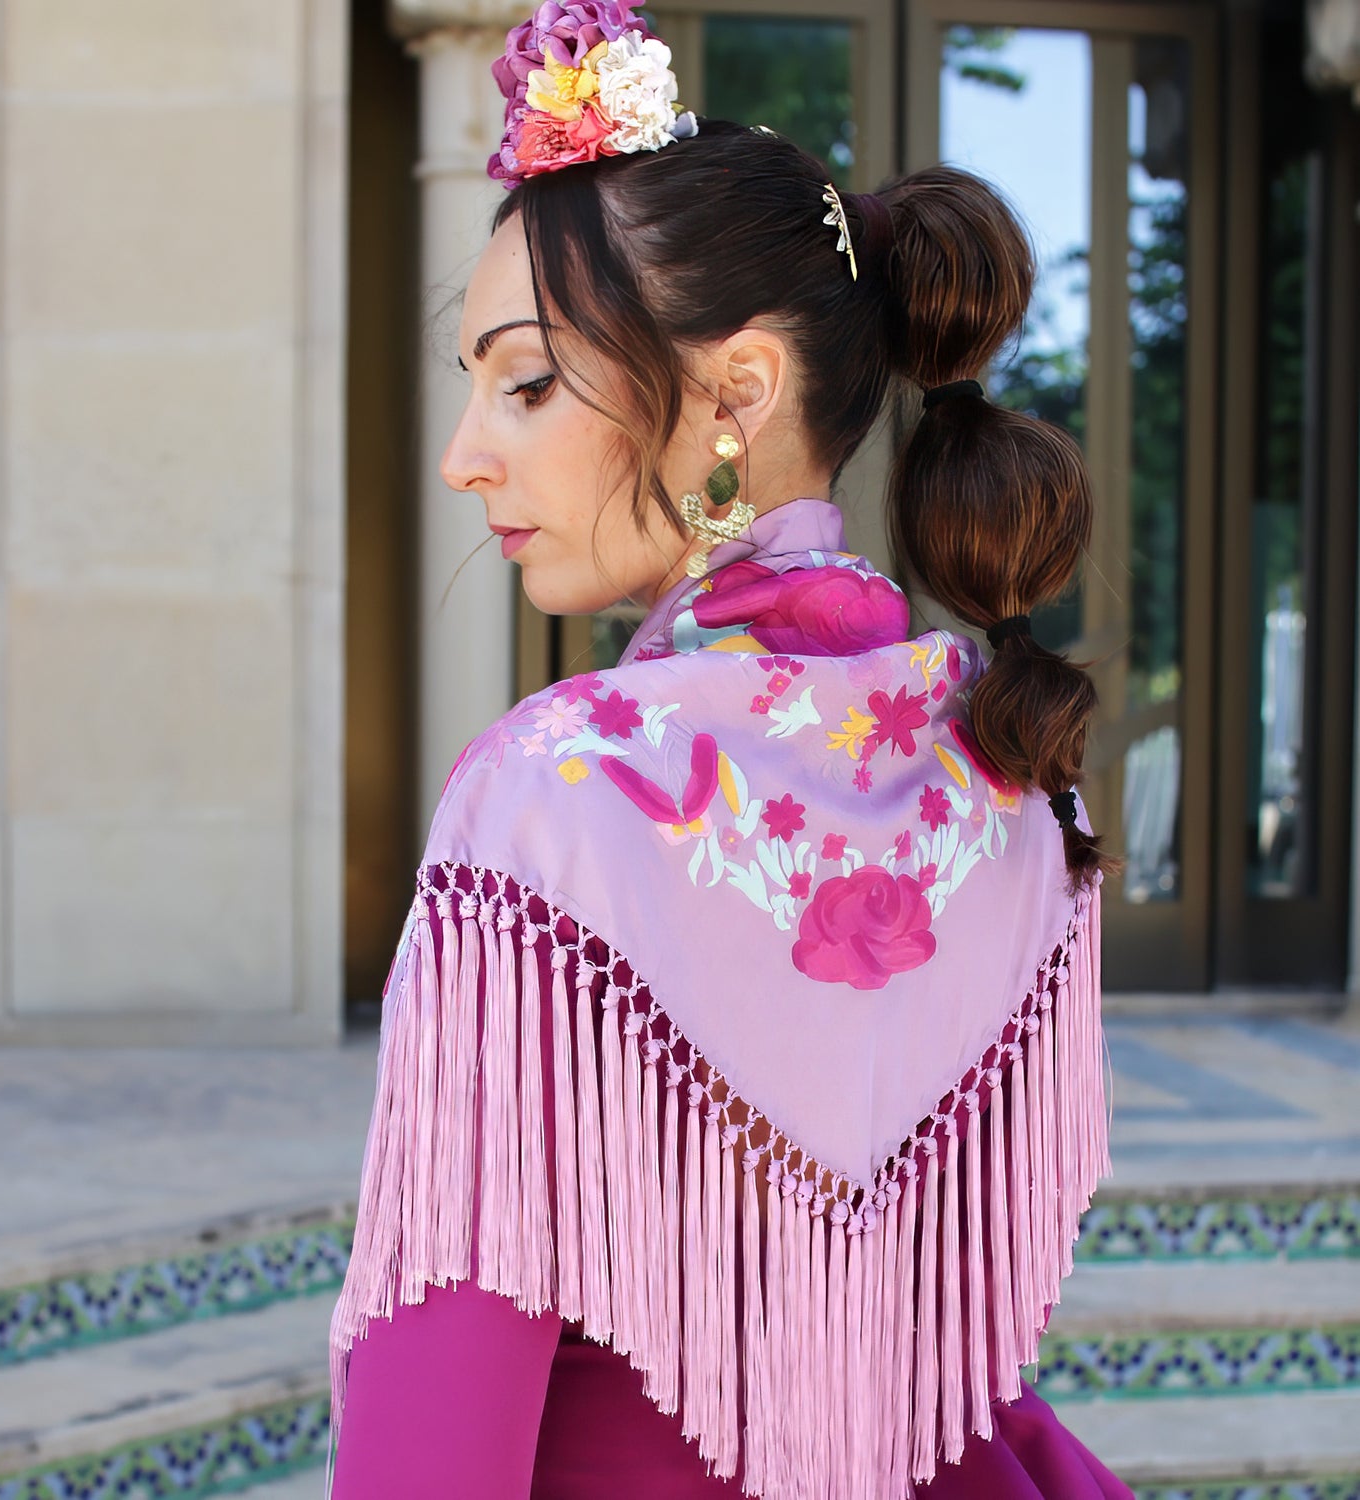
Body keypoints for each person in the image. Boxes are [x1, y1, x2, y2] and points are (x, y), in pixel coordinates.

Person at [326, 4, 1132, 1496]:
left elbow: (440, 1419)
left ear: (737, 395)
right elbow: (951, 1383)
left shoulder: (555, 793)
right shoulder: (1009, 771)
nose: (464, 455)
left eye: (526, 381)